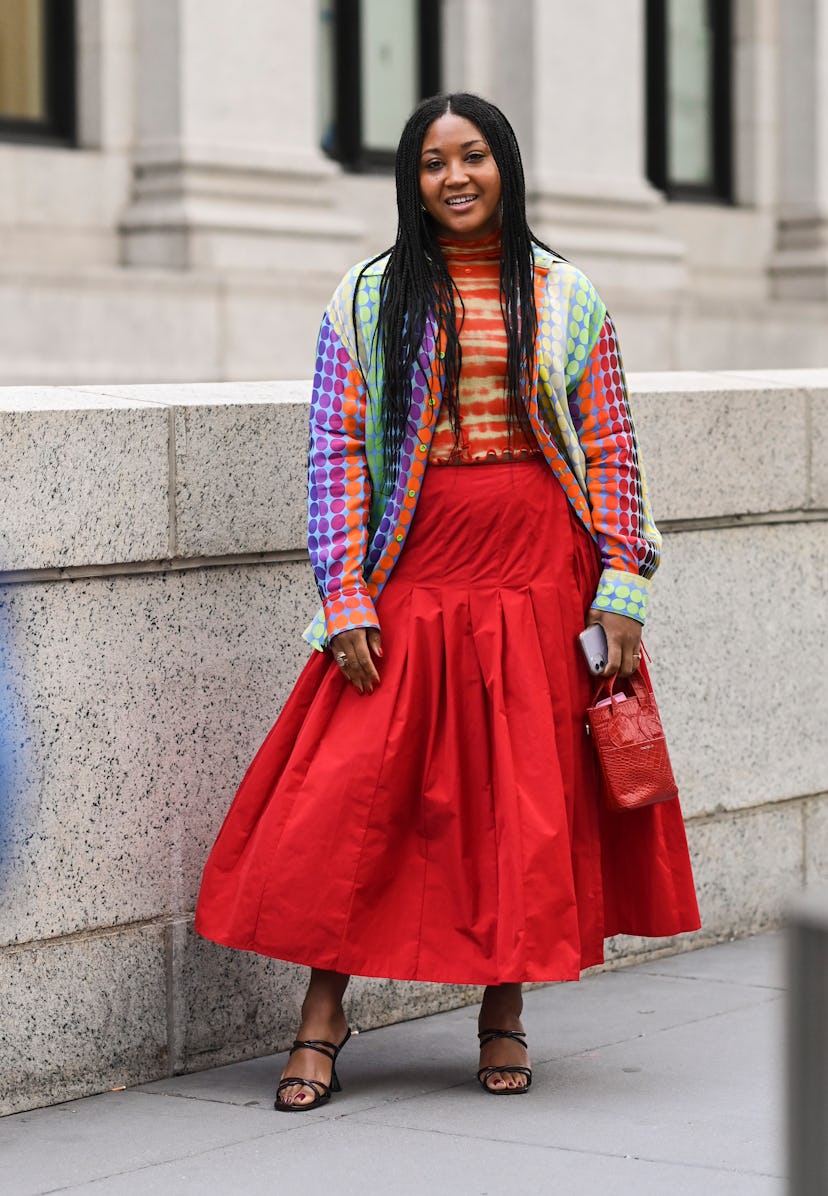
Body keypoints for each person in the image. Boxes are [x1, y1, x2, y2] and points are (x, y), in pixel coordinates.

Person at [195, 92, 700, 1110]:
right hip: (415, 562)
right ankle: (322, 1010)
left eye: (472, 157)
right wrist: (344, 595)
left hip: (538, 565)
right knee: (357, 787)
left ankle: (503, 1007)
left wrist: (622, 587)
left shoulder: (567, 295)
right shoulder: (368, 295)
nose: (454, 177)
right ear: (411, 181)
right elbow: (336, 451)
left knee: (524, 792)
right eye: (433, 162)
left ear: (505, 166)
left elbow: (611, 449)